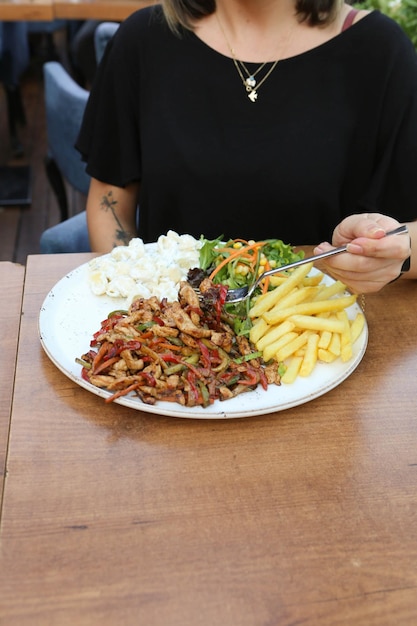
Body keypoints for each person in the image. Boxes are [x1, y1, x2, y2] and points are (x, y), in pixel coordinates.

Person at [74, 0, 416, 294]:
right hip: (172, 339)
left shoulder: (380, 50)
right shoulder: (143, 38)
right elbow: (110, 204)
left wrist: (400, 254)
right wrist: (136, 302)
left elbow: (409, 237)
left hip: (328, 336)